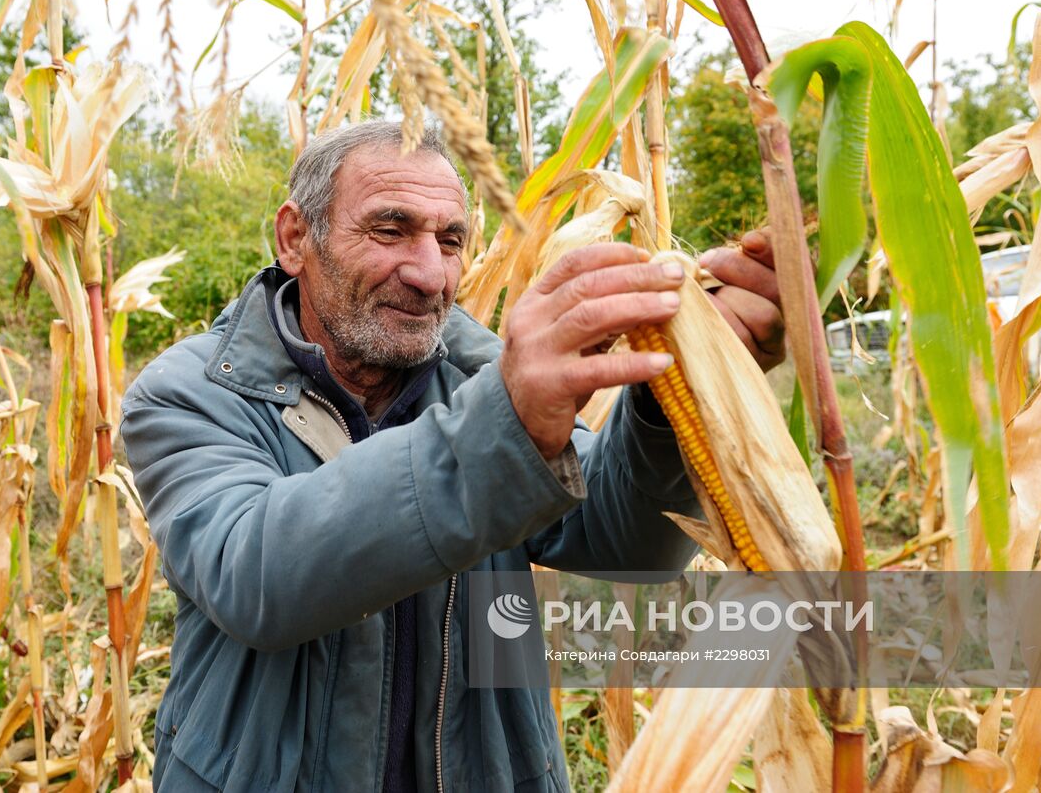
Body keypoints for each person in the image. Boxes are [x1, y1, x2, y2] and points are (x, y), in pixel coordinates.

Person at [118, 120, 786, 792]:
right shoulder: (190, 392)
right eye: (389, 230)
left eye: (450, 240)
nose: (428, 273)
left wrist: (675, 396)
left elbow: (622, 540)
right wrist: (507, 421)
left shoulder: (481, 374)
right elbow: (256, 577)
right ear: (296, 238)